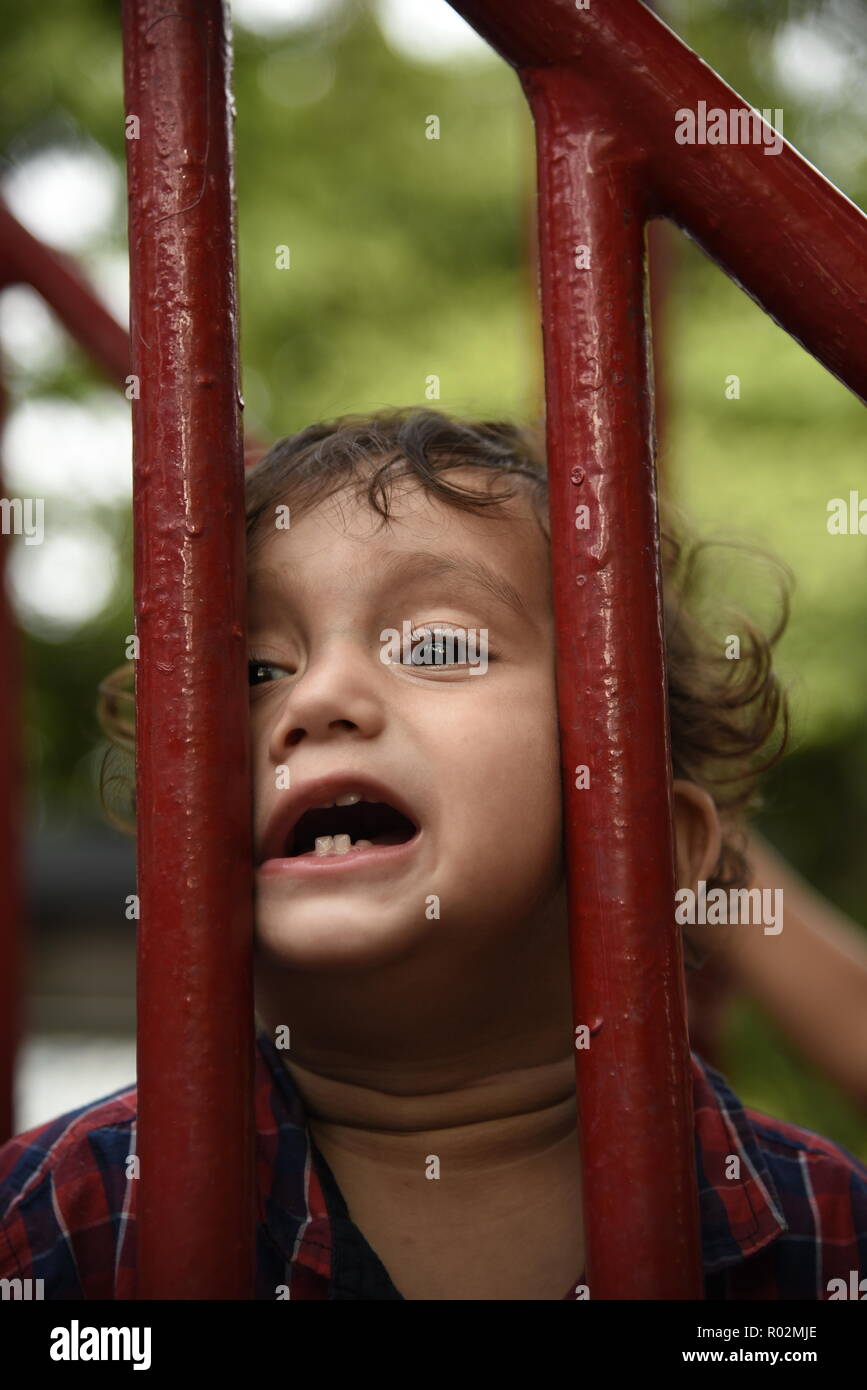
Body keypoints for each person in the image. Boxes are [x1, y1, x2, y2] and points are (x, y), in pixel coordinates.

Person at [1, 407, 865, 1300]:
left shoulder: (822, 1234)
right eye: (256, 670)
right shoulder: (68, 1223)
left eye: (438, 646)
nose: (320, 697)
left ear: (658, 845)